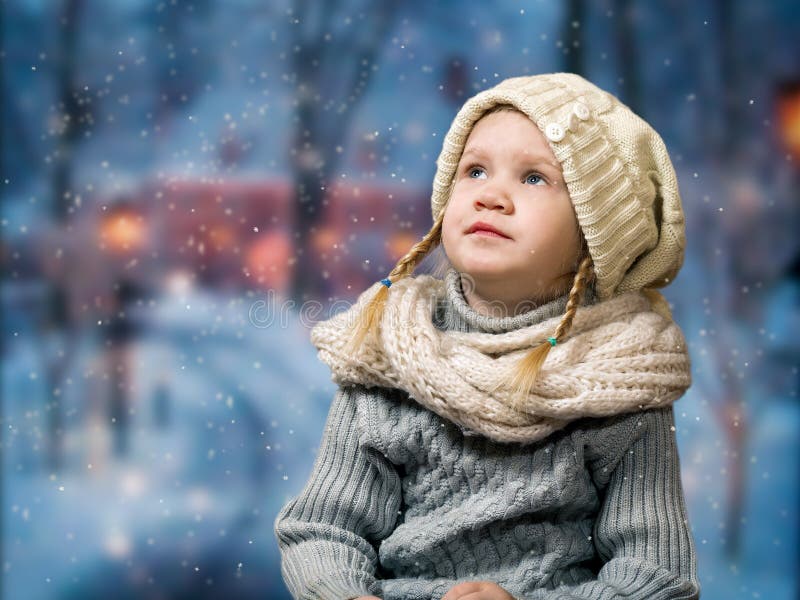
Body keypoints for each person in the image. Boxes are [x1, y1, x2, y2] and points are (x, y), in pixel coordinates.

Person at [274, 72, 699, 600]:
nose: (492, 195)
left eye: (535, 178)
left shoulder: (621, 380)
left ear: (596, 236)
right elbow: (323, 529)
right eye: (474, 170)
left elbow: (656, 575)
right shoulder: (388, 359)